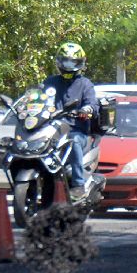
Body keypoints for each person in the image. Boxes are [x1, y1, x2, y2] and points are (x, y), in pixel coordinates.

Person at [40, 42, 97, 199]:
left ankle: (78, 184)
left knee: (73, 142)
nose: (68, 65)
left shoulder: (85, 84)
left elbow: (92, 103)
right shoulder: (50, 82)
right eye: (65, 61)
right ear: (59, 61)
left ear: (80, 63)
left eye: (73, 62)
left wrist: (87, 110)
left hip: (76, 131)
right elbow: (38, 98)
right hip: (52, 131)